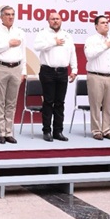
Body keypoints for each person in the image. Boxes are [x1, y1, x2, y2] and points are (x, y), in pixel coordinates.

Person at [34, 12, 77, 142]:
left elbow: (72, 52)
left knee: (60, 103)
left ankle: (58, 131)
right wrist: (54, 42)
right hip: (47, 71)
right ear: (48, 21)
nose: (55, 21)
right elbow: (37, 46)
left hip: (63, 72)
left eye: (57, 19)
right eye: (52, 19)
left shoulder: (67, 36)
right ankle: (47, 131)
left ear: (61, 20)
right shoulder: (43, 34)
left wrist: (74, 69)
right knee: (48, 102)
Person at [0, 6, 26, 144]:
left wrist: (24, 71)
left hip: (16, 68)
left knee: (11, 102)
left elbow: (23, 52)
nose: (11, 17)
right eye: (8, 14)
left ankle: (9, 132)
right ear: (1, 16)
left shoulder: (20, 32)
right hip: (0, 67)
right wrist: (8, 44)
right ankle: (0, 133)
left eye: (13, 14)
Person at [84, 15, 110, 140]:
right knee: (95, 105)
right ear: (96, 26)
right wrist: (105, 46)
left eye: (107, 22)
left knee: (108, 105)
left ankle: (107, 130)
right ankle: (96, 130)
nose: (106, 24)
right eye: (102, 22)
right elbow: (89, 55)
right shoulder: (91, 40)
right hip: (96, 76)